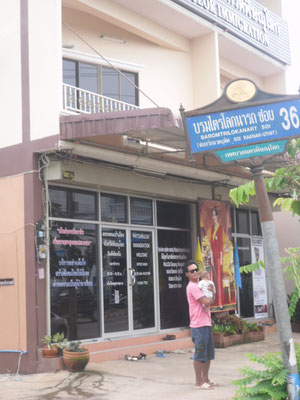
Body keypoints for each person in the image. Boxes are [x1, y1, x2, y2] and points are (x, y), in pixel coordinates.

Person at [185, 260, 218, 390]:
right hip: (198, 325)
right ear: (187, 274)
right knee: (200, 354)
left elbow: (211, 301)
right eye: (192, 271)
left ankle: (206, 378)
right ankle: (198, 382)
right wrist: (210, 294)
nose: (195, 272)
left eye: (196, 269)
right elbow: (206, 302)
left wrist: (212, 291)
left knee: (208, 353)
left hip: (206, 322)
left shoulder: (200, 285)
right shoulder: (193, 287)